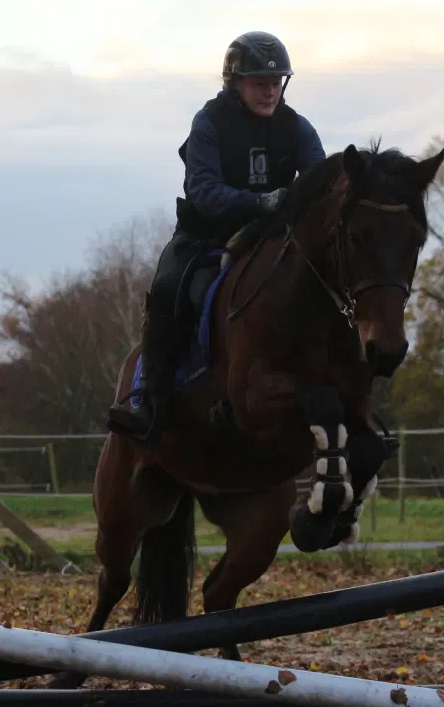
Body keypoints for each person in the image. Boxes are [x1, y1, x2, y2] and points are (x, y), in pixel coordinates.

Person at [106, 31, 327, 447]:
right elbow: (204, 191)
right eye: (260, 83)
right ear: (235, 83)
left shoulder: (297, 128)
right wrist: (262, 202)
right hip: (206, 236)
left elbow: (319, 184)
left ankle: (354, 400)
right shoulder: (208, 123)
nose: (269, 91)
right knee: (168, 288)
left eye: (276, 82)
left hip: (269, 240)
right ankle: (147, 398)